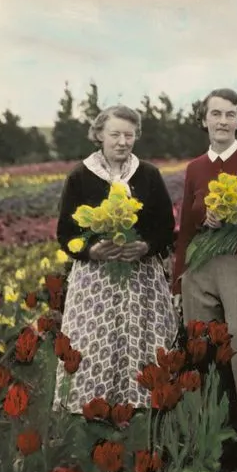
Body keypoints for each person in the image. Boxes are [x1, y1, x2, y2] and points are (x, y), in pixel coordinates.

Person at [171, 88, 237, 472]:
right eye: (215, 113)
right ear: (204, 119)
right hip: (200, 269)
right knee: (203, 362)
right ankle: (211, 453)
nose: (222, 121)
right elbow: (186, 229)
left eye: (230, 114)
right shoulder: (196, 166)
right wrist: (178, 279)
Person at [54, 105, 178, 413]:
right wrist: (91, 250)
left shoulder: (148, 174)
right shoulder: (80, 176)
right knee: (95, 350)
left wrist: (146, 247)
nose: (122, 142)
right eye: (115, 135)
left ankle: (142, 422)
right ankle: (93, 423)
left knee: (144, 354)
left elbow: (165, 227)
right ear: (99, 135)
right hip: (95, 284)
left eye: (129, 135)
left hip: (141, 283)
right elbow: (65, 233)